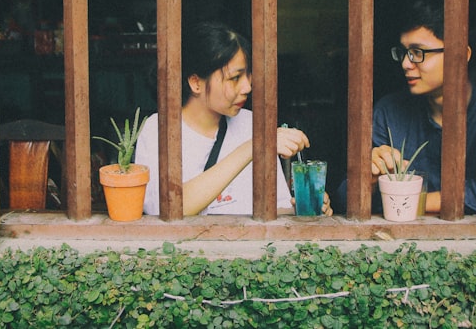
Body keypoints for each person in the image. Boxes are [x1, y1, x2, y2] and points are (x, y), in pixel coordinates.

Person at [357, 0, 476, 215]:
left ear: (461, 56)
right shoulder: (389, 112)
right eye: (403, 52)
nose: (405, 63)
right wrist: (370, 178)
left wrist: (408, 201)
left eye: (417, 52)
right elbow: (348, 197)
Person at [135, 21, 332, 216]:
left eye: (248, 76)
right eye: (235, 78)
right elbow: (165, 210)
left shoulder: (252, 124)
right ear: (195, 83)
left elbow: (275, 207)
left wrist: (300, 210)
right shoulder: (158, 129)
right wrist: (255, 146)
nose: (247, 87)